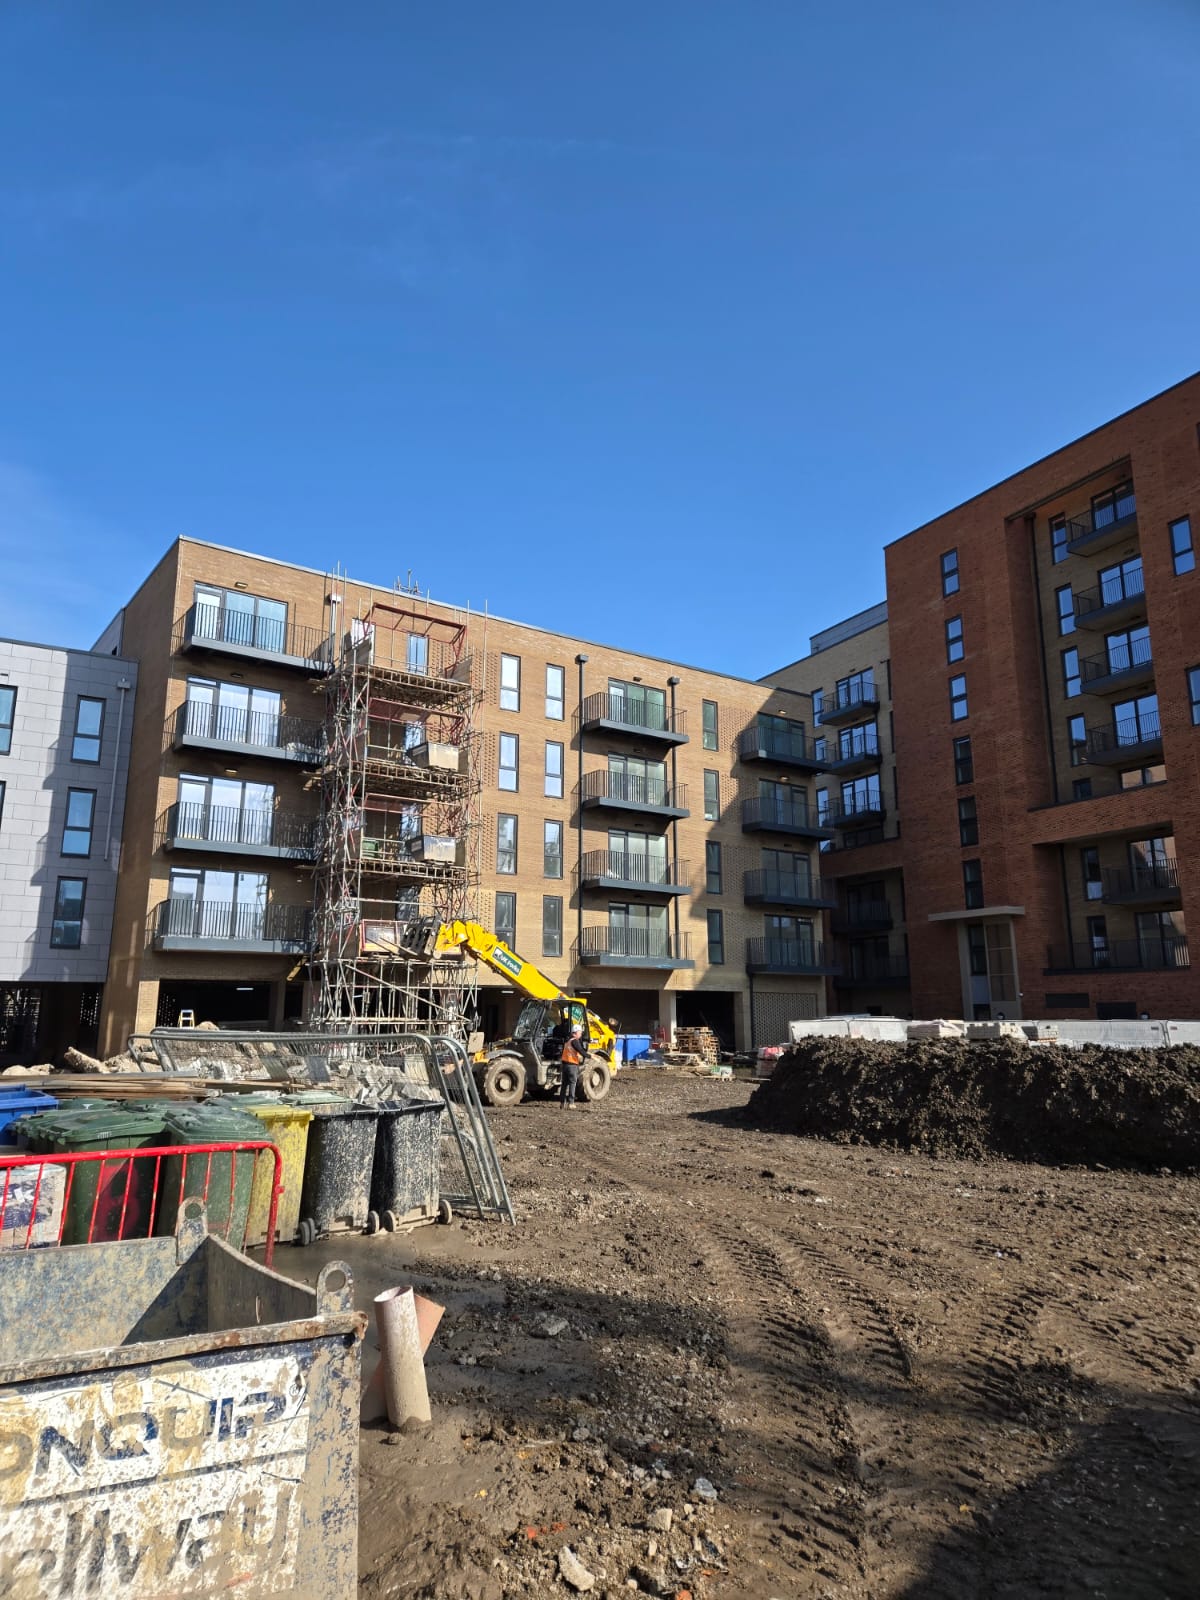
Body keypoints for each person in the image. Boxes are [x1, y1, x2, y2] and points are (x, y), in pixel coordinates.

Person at [559, 1024, 585, 1109]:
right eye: (580, 1032)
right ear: (575, 1033)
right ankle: (571, 1103)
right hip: (572, 1065)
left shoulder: (568, 1042)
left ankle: (562, 1103)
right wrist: (590, 1056)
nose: (580, 1034)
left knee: (564, 1084)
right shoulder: (575, 1041)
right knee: (572, 1083)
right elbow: (581, 1051)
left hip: (565, 1065)